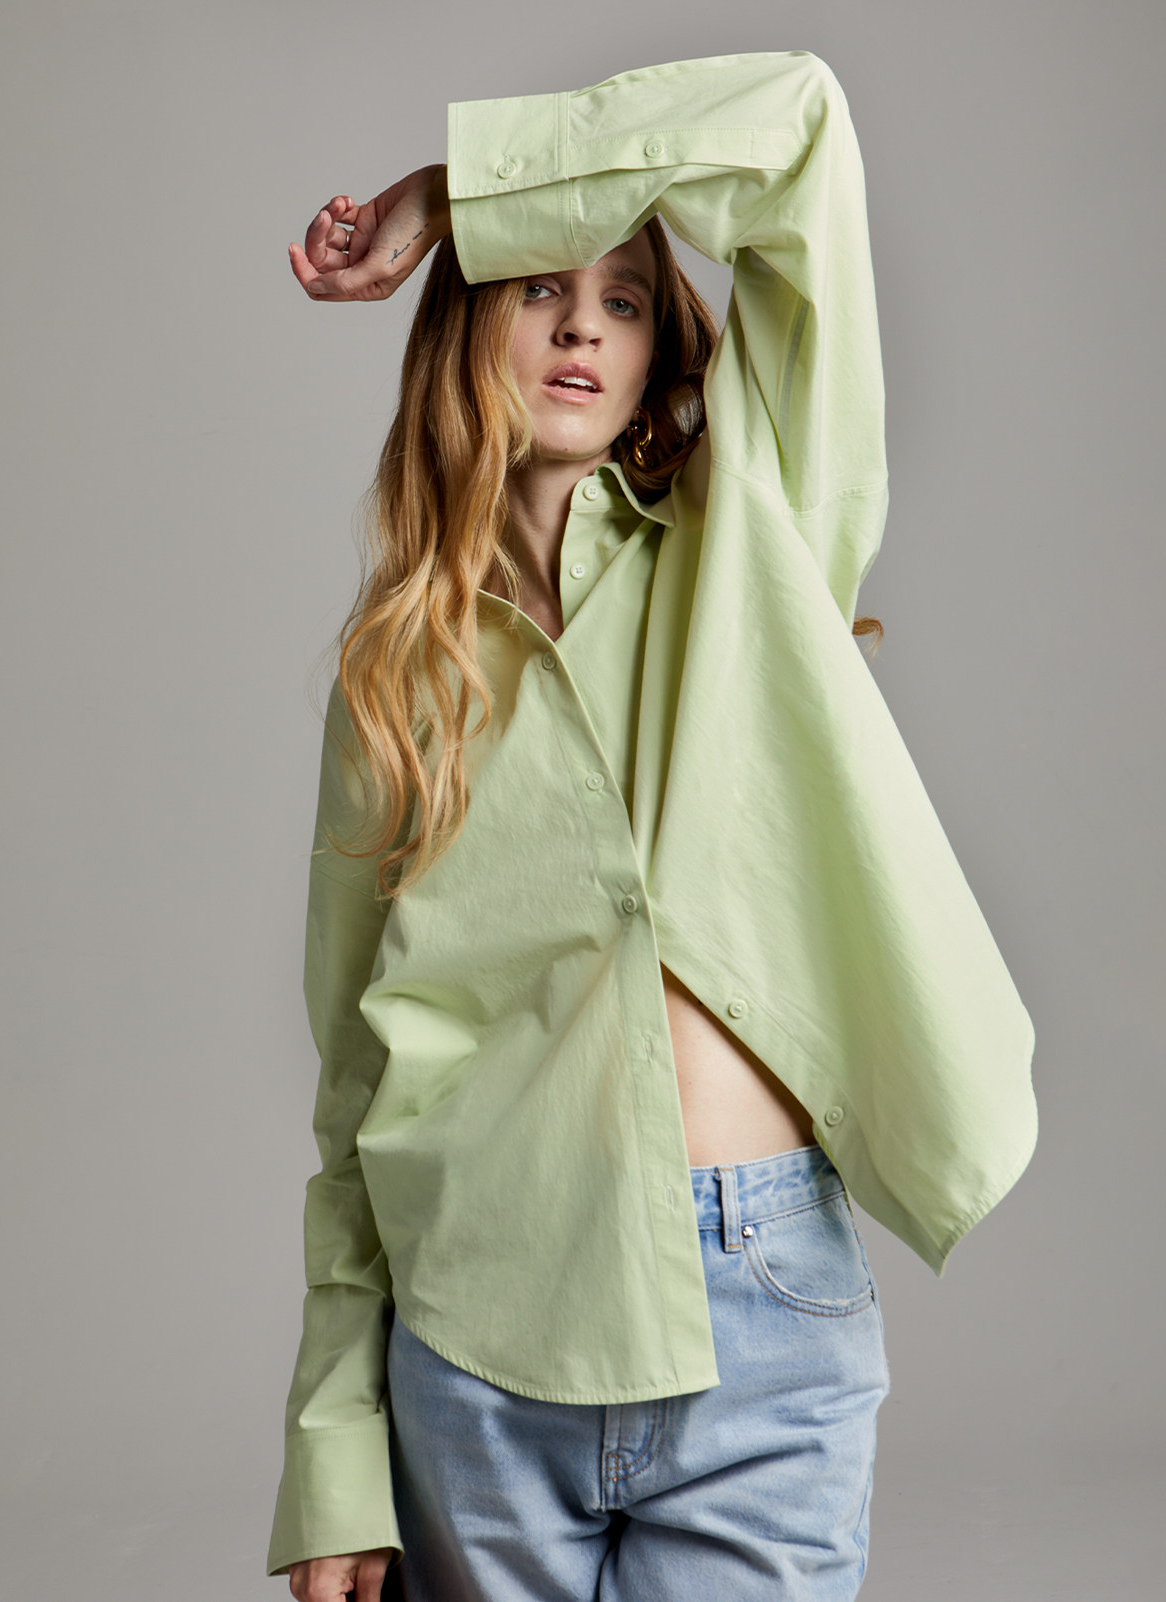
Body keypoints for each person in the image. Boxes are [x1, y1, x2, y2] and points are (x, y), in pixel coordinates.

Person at [267, 49, 1038, 1602]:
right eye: (536, 287)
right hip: (478, 1334)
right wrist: (334, 1444)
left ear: (655, 350)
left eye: (622, 297)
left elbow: (800, 125)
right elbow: (356, 1082)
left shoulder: (757, 535)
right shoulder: (394, 676)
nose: (580, 324)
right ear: (467, 334)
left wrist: (462, 198)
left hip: (762, 1308)